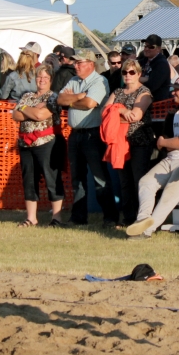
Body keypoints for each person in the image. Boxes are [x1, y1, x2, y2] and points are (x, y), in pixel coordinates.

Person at [125, 80, 179, 240]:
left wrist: (167, 143)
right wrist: (168, 143)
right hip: (170, 158)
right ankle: (142, 220)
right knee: (145, 182)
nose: (173, 93)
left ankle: (146, 231)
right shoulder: (173, 113)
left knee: (170, 191)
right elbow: (163, 140)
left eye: (177, 90)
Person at [57, 53, 118, 226]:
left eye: (80, 62)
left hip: (93, 134)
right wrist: (78, 97)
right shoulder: (74, 81)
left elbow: (90, 103)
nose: (76, 66)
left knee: (100, 178)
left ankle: (110, 217)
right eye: (75, 62)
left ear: (91, 64)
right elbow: (59, 99)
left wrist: (74, 99)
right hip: (75, 133)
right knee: (77, 178)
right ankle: (78, 217)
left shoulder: (98, 81)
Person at [105, 58, 154, 226]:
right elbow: (104, 113)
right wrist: (122, 110)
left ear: (139, 74)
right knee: (124, 182)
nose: (127, 75)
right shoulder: (117, 92)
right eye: (125, 72)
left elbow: (136, 116)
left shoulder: (144, 92)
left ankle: (142, 217)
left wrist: (115, 112)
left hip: (139, 142)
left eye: (132, 72)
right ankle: (128, 218)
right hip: (119, 143)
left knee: (139, 181)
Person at [12, 64, 61, 227]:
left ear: (51, 80)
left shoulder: (53, 97)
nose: (42, 80)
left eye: (45, 78)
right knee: (29, 179)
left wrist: (26, 110)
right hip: (25, 143)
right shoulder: (27, 96)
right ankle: (31, 217)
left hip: (46, 142)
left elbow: (41, 115)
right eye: (39, 77)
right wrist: (28, 108)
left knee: (51, 178)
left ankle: (57, 217)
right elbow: (16, 115)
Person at [139, 34, 172, 102]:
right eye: (146, 46)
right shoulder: (142, 62)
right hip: (142, 100)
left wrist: (137, 80)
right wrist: (145, 79)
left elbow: (152, 85)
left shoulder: (162, 64)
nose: (147, 49)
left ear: (158, 49)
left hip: (157, 104)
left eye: (151, 47)